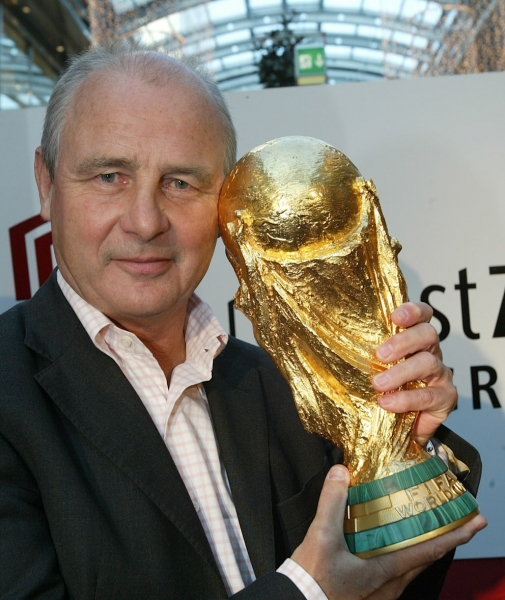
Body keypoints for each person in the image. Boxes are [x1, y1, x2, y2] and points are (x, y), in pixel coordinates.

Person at [0, 45, 485, 600]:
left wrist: (402, 435)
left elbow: (386, 585)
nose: (146, 221)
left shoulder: (277, 383)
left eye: (180, 183)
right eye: (110, 176)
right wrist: (308, 590)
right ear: (46, 184)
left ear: (225, 207)